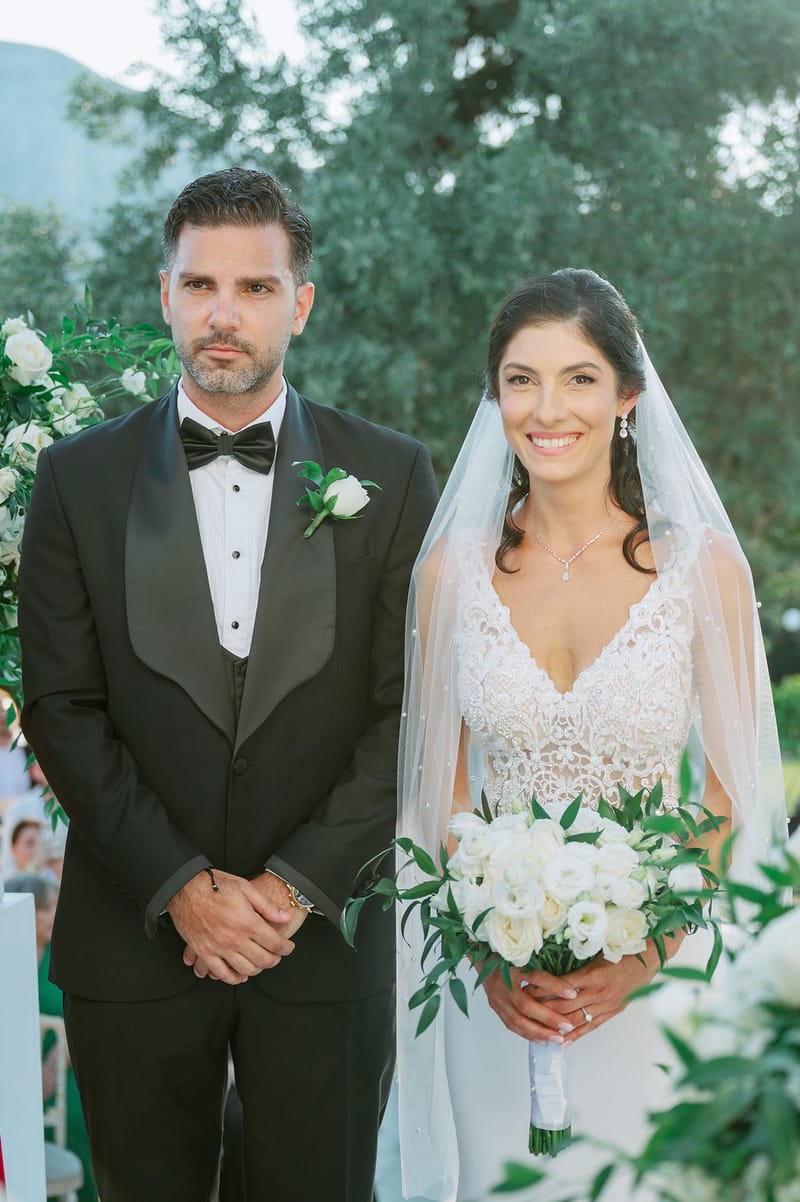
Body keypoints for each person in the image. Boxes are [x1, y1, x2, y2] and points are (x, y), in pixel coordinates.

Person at [18, 167, 438, 1202]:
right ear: (165, 293)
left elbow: (413, 713)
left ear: (300, 303)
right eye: (201, 284)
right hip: (134, 935)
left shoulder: (392, 475)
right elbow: (62, 709)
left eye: (255, 287)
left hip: (327, 941)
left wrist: (292, 887)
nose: (223, 313)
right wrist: (182, 888)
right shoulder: (76, 478)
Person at [395, 269, 786, 1201]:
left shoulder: (704, 570)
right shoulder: (450, 573)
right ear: (495, 398)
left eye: (578, 378)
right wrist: (486, 949)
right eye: (520, 380)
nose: (547, 409)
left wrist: (643, 955)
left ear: (627, 396)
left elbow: (730, 790)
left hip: (661, 981)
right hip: (499, 996)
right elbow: (438, 787)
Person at [4, 872, 96, 1202]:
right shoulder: (8, 962)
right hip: (13, 1075)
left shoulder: (66, 957)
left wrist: (54, 1062)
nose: (55, 915)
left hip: (63, 1064)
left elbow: (83, 1017)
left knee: (77, 1116)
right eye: (46, 908)